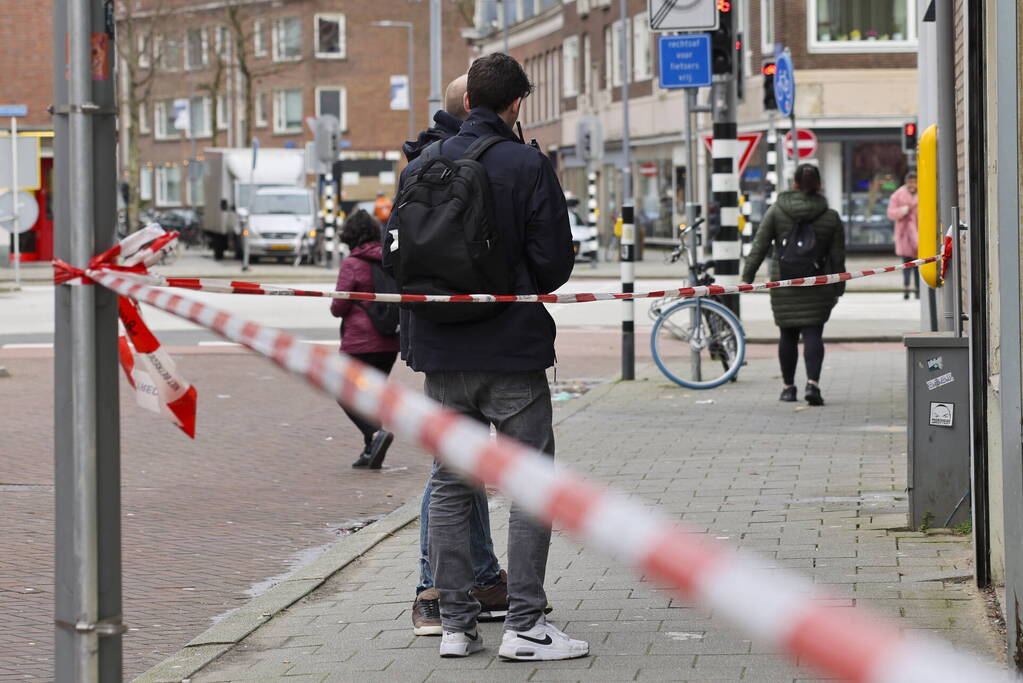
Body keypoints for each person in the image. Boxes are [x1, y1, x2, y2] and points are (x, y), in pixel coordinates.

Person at [385, 54, 587, 661]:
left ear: (466, 100)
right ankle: (525, 626)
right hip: (510, 351)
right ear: (516, 103)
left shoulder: (420, 163)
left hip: (441, 354)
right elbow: (553, 264)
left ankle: (455, 625)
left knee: (452, 483)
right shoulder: (526, 163)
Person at [400, 73, 511, 638]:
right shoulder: (468, 160)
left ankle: (483, 578)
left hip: (429, 333)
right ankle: (433, 592)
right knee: (449, 473)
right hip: (472, 337)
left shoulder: (420, 161)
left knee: (459, 465)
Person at [741, 163, 846, 407]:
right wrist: (838, 286)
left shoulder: (777, 211)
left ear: (795, 183)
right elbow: (838, 256)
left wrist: (747, 277)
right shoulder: (830, 217)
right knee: (813, 333)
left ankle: (788, 388)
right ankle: (813, 384)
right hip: (818, 283)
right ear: (819, 184)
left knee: (787, 335)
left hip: (784, 281)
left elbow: (760, 245)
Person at [329, 210, 398, 469]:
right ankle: (371, 449)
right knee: (371, 393)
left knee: (343, 390)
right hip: (389, 340)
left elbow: (339, 307)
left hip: (360, 342)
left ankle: (375, 433)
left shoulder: (352, 263)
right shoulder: (387, 260)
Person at [887, 171, 919, 300]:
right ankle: (906, 289)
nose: (912, 185)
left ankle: (918, 290)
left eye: (915, 182)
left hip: (918, 233)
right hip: (905, 234)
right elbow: (891, 212)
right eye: (910, 182)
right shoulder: (898, 195)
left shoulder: (923, 193)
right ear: (906, 182)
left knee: (918, 265)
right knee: (906, 264)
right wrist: (902, 211)